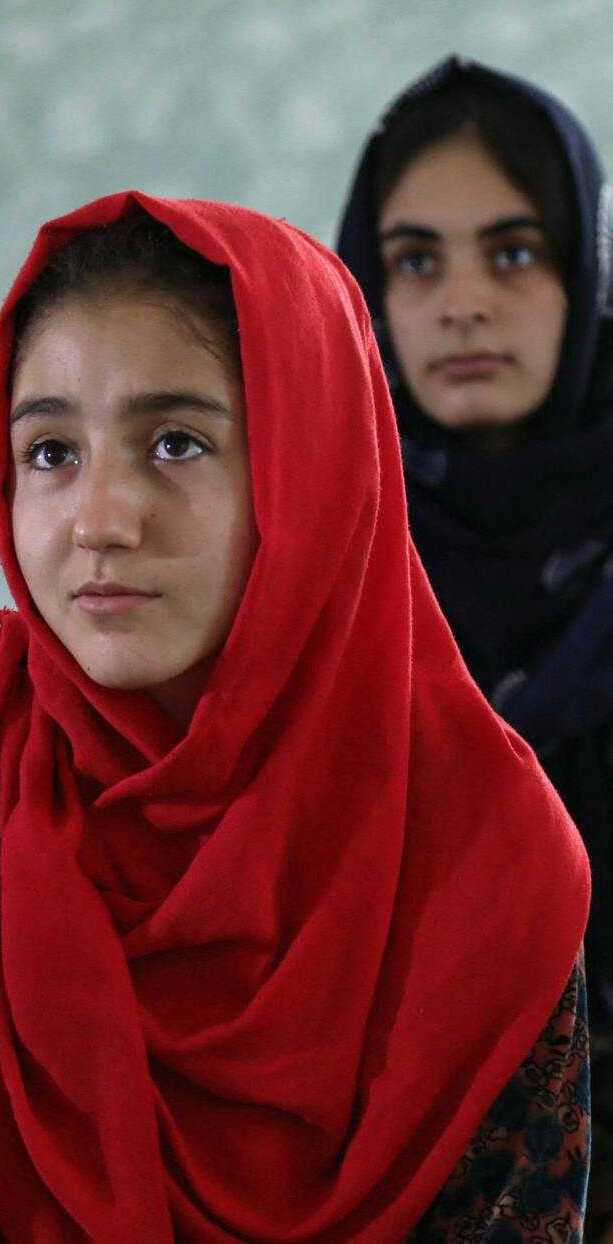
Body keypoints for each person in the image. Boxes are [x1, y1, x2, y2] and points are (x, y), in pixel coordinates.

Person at [0, 195, 591, 1242]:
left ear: (317, 467)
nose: (100, 520)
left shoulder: (488, 857)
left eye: (176, 443)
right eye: (50, 452)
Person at [335, 54, 613, 1232]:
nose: (460, 301)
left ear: (580, 264)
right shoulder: (302, 548)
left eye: (510, 251)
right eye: (413, 260)